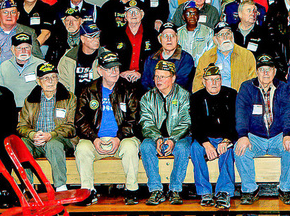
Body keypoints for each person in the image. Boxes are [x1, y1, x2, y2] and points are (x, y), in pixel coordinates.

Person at [75, 52, 142, 206]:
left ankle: (131, 190)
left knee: (131, 146)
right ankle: (88, 191)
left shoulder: (128, 89)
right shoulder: (88, 90)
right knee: (82, 148)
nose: (114, 72)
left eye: (117, 68)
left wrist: (119, 137)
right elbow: (80, 120)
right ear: (100, 70)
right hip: (95, 139)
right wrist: (94, 138)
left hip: (122, 138)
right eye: (109, 68)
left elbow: (134, 119)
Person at [234, 55, 290, 205]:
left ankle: (286, 189)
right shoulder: (246, 88)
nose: (265, 73)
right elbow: (241, 113)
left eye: (268, 70)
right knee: (240, 150)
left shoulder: (283, 87)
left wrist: (288, 134)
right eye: (262, 70)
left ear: (274, 71)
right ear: (256, 72)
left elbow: (288, 112)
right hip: (255, 137)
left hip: (277, 136)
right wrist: (243, 135)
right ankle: (250, 190)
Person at [137, 61, 192, 205]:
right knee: (145, 146)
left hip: (180, 137)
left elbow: (186, 122)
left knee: (183, 147)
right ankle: (156, 190)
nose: (159, 80)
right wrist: (157, 138)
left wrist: (173, 139)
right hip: (155, 137)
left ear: (173, 78)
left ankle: (175, 189)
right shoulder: (147, 98)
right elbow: (146, 122)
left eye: (163, 77)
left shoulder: (184, 95)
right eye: (156, 76)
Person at [18, 63, 75, 191]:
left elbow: (71, 127)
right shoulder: (30, 100)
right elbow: (22, 126)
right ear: (38, 81)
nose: (50, 81)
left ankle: (60, 186)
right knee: (23, 143)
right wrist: (33, 134)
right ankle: (28, 187)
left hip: (61, 140)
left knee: (53, 144)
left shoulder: (69, 98)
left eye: (53, 77)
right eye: (46, 78)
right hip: (37, 141)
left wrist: (51, 135)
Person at [188, 64, 238, 209]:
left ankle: (224, 191)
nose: (214, 83)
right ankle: (204, 192)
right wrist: (205, 143)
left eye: (217, 79)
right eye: (210, 80)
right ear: (204, 81)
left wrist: (227, 140)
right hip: (206, 138)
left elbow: (236, 122)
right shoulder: (196, 98)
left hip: (225, 137)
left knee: (227, 149)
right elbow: (195, 126)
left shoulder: (232, 95)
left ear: (222, 80)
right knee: (195, 149)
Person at [192, 22, 256, 92]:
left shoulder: (246, 55)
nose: (225, 38)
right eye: (221, 35)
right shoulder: (206, 57)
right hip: (213, 98)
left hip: (238, 98)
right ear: (215, 39)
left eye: (228, 34)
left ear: (232, 36)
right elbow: (197, 84)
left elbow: (253, 83)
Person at [141, 23, 195, 91]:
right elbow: (145, 82)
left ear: (177, 38)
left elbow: (180, 84)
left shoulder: (186, 59)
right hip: (153, 97)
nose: (169, 39)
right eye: (165, 36)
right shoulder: (151, 59)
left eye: (172, 36)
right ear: (159, 39)